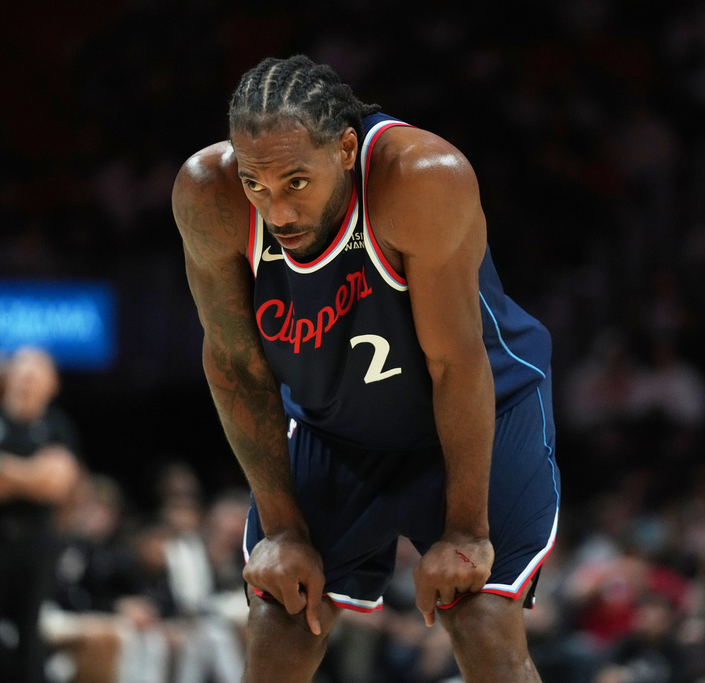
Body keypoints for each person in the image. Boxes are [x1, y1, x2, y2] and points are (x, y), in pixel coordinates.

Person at [171, 54, 560, 682]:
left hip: (476, 408)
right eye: (256, 184)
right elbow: (236, 368)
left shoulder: (421, 178)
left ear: (347, 150)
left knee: (480, 621)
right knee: (281, 620)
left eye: (296, 181)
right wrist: (281, 530)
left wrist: (465, 530)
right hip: (336, 426)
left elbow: (454, 364)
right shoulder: (207, 194)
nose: (277, 211)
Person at [0, 346, 82, 683]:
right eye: (20, 373)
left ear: (52, 384)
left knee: (30, 640)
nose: (26, 381)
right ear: (8, 378)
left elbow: (56, 484)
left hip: (37, 546)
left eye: (35, 375)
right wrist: (32, 473)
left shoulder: (58, 426)